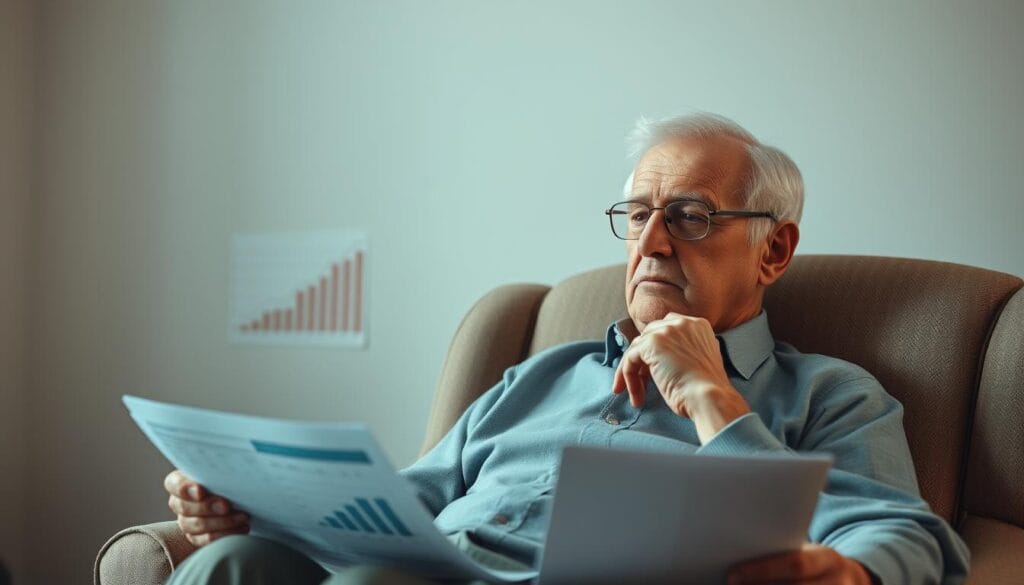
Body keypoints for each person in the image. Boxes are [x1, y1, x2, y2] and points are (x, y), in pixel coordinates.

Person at [163, 112, 970, 584]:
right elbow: (402, 504)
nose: (651, 243)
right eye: (638, 215)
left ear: (774, 250)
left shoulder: (829, 393)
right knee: (229, 564)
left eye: (690, 216)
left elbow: (906, 538)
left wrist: (709, 395)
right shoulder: (539, 371)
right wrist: (255, 504)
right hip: (423, 567)